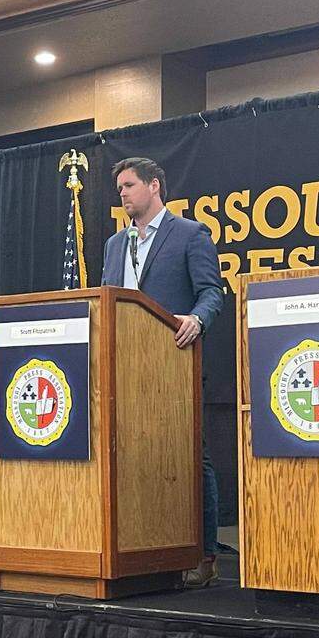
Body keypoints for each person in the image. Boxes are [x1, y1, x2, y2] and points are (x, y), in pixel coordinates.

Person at [100, 157, 224, 587]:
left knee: (190, 456)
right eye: (119, 188)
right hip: (123, 370)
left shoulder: (190, 234)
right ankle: (141, 548)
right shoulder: (116, 245)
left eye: (129, 185)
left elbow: (211, 291)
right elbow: (107, 302)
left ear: (154, 186)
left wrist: (197, 319)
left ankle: (203, 553)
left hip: (172, 363)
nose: (123, 193)